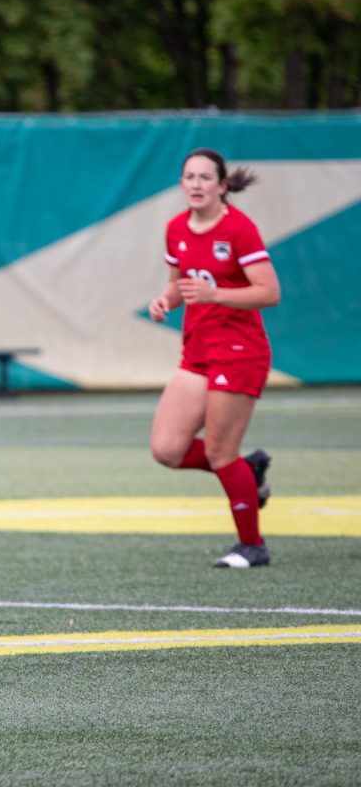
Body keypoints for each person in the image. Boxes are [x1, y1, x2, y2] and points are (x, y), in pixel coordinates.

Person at [148, 148, 280, 569]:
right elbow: (179, 283)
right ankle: (248, 472)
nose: (196, 185)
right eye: (189, 177)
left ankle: (252, 545)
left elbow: (269, 292)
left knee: (222, 453)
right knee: (167, 449)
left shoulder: (239, 230)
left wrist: (216, 294)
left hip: (240, 352)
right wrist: (165, 301)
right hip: (199, 351)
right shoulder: (175, 229)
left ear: (223, 186)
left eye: (206, 178)